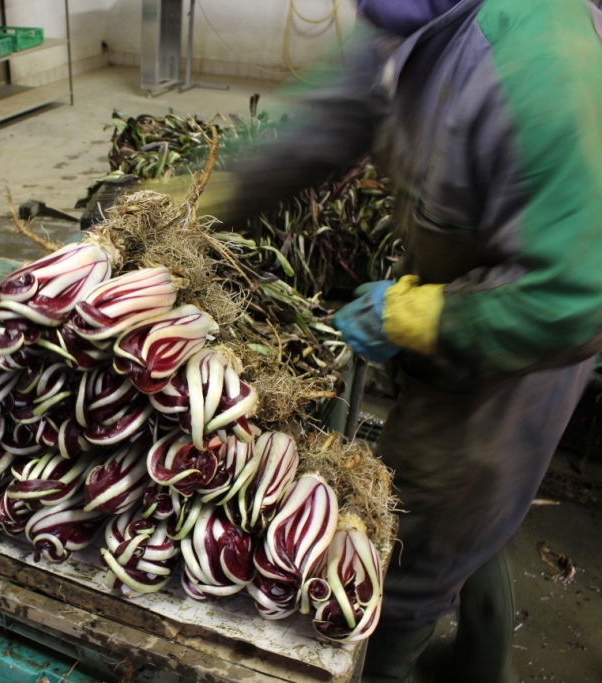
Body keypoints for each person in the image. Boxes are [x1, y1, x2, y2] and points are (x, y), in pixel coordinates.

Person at [201, 0, 602, 680]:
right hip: (449, 308)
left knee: (416, 555)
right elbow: (328, 121)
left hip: (524, 353)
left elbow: (577, 295)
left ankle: (400, 663)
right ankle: (478, 653)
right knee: (458, 513)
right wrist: (197, 204)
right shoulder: (408, 16)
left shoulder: (540, 57)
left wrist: (417, 318)